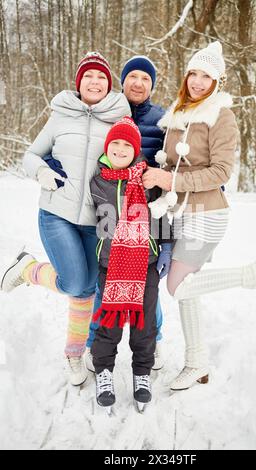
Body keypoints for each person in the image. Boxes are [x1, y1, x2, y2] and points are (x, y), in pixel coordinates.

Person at [142, 41, 256, 391]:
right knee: (188, 289)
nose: (197, 81)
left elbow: (221, 171)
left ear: (217, 81)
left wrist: (172, 180)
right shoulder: (179, 112)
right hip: (180, 213)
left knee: (176, 286)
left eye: (206, 76)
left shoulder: (221, 115)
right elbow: (169, 161)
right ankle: (197, 364)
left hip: (207, 212)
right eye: (193, 73)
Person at [0, 52, 131, 386]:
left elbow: (129, 158)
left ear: (108, 84)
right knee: (75, 283)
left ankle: (76, 351)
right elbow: (29, 155)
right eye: (88, 76)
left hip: (96, 218)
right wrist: (42, 171)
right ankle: (28, 271)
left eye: (101, 77)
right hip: (56, 213)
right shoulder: (60, 115)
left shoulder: (119, 117)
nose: (94, 81)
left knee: (89, 287)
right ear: (78, 83)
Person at [86, 55, 169, 372]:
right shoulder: (109, 112)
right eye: (132, 76)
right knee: (104, 283)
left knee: (149, 287)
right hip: (110, 201)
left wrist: (165, 240)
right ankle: (98, 342)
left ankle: (154, 339)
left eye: (146, 78)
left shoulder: (162, 119)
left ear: (152, 85)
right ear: (123, 81)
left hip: (146, 209)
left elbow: (174, 164)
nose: (138, 82)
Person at [89, 116, 172, 413]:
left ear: (136, 150)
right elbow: (95, 220)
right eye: (116, 144)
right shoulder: (97, 179)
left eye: (127, 145)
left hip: (145, 263)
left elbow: (161, 215)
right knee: (108, 323)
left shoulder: (148, 179)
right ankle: (104, 372)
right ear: (107, 147)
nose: (121, 149)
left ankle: (141, 373)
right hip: (109, 263)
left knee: (145, 323)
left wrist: (166, 247)